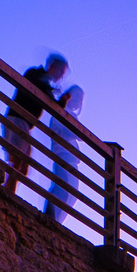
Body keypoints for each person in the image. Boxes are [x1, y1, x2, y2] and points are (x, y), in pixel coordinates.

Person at [3, 53, 68, 193]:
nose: (60, 76)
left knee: (24, 164)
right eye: (60, 71)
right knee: (18, 160)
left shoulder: (45, 84)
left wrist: (62, 101)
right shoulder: (35, 74)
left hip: (24, 123)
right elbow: (37, 85)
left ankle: (7, 190)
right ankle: (6, 192)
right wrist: (51, 90)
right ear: (52, 66)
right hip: (17, 118)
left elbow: (54, 106)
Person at [43, 85, 85, 224]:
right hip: (63, 154)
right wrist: (76, 132)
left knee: (72, 193)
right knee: (64, 189)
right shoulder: (61, 110)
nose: (79, 100)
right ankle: (50, 219)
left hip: (72, 157)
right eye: (77, 96)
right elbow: (59, 128)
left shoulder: (72, 115)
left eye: (81, 98)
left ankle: (57, 221)